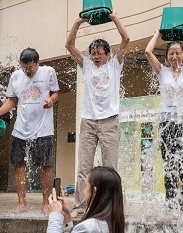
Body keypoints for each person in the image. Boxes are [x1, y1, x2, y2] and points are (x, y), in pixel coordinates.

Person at [65, 11, 129, 217]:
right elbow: (69, 45)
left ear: (107, 54)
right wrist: (78, 22)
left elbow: (126, 39)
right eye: (93, 53)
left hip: (110, 122)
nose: (96, 56)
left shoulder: (115, 65)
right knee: (84, 168)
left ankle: (111, 209)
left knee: (110, 168)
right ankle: (81, 208)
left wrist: (114, 18)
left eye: (100, 53)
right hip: (89, 122)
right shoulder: (87, 66)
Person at [0, 48, 59, 213]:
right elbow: (11, 101)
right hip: (21, 128)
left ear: (37, 63)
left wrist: (51, 100)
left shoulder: (48, 72)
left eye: (31, 67)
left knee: (45, 166)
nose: (27, 71)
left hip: (43, 129)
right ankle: (22, 203)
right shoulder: (16, 76)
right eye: (24, 67)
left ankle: (46, 203)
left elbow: (56, 93)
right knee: (18, 165)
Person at [145, 29, 183, 213]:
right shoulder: (162, 72)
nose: (175, 56)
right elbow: (147, 52)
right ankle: (171, 206)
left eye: (178, 52)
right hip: (167, 123)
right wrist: (156, 33)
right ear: (167, 57)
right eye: (171, 53)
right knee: (169, 165)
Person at [47, 166, 125, 233]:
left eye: (85, 186)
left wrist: (55, 214)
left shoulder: (87, 227)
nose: (84, 192)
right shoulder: (114, 223)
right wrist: (67, 216)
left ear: (94, 191)